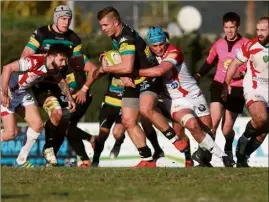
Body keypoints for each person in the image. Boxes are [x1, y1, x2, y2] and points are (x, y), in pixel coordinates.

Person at [95, 7, 183, 167]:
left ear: (115, 22)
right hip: (133, 81)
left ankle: (175, 140)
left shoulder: (125, 38)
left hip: (148, 78)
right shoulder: (117, 35)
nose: (103, 29)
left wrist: (105, 68)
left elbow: (127, 67)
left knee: (146, 109)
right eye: (101, 25)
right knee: (128, 120)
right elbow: (124, 64)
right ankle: (148, 159)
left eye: (105, 25)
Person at [137, 26, 235, 167]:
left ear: (165, 41)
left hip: (193, 94)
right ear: (149, 45)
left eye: (161, 44)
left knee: (208, 129)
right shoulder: (147, 57)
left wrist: (135, 72)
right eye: (155, 46)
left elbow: (160, 71)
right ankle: (220, 158)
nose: (159, 49)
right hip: (175, 101)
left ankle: (202, 160)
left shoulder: (173, 51)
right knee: (191, 125)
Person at [20, 5, 86, 166]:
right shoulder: (41, 33)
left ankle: (50, 156)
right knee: (56, 112)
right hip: (42, 83)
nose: (67, 22)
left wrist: (74, 86)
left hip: (60, 83)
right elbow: (25, 56)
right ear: (56, 19)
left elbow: (78, 66)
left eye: (69, 19)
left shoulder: (74, 38)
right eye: (63, 18)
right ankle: (47, 149)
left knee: (64, 120)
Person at [1, 44, 74, 167]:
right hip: (6, 92)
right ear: (51, 57)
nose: (63, 63)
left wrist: (70, 99)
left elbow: (61, 81)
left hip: (22, 94)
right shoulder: (34, 61)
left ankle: (20, 161)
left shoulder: (53, 68)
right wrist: (4, 94)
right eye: (61, 59)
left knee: (37, 125)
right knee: (11, 133)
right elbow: (7, 68)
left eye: (65, 60)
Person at [193, 12, 249, 165]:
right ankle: (204, 157)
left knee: (226, 130)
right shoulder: (218, 44)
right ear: (223, 27)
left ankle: (228, 149)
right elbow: (209, 62)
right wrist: (197, 76)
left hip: (237, 89)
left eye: (232, 27)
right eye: (226, 27)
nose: (229, 31)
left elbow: (252, 66)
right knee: (213, 122)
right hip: (219, 84)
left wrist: (241, 73)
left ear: (238, 27)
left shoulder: (247, 44)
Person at [222, 17, 269, 167]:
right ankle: (244, 138)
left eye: (263, 30)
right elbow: (234, 64)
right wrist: (225, 84)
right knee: (261, 118)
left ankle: (244, 156)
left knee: (264, 129)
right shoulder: (251, 45)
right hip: (255, 87)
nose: (259, 33)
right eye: (258, 30)